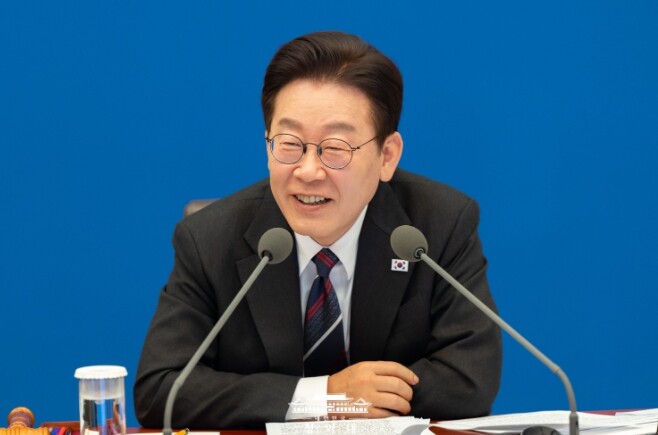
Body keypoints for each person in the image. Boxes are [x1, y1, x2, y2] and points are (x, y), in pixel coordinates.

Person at [134, 30, 502, 429]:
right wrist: (326, 396)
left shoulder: (437, 225)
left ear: (387, 156)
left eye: (335, 148)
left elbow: (470, 380)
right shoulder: (209, 239)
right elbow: (160, 390)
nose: (308, 171)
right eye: (289, 143)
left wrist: (364, 402)